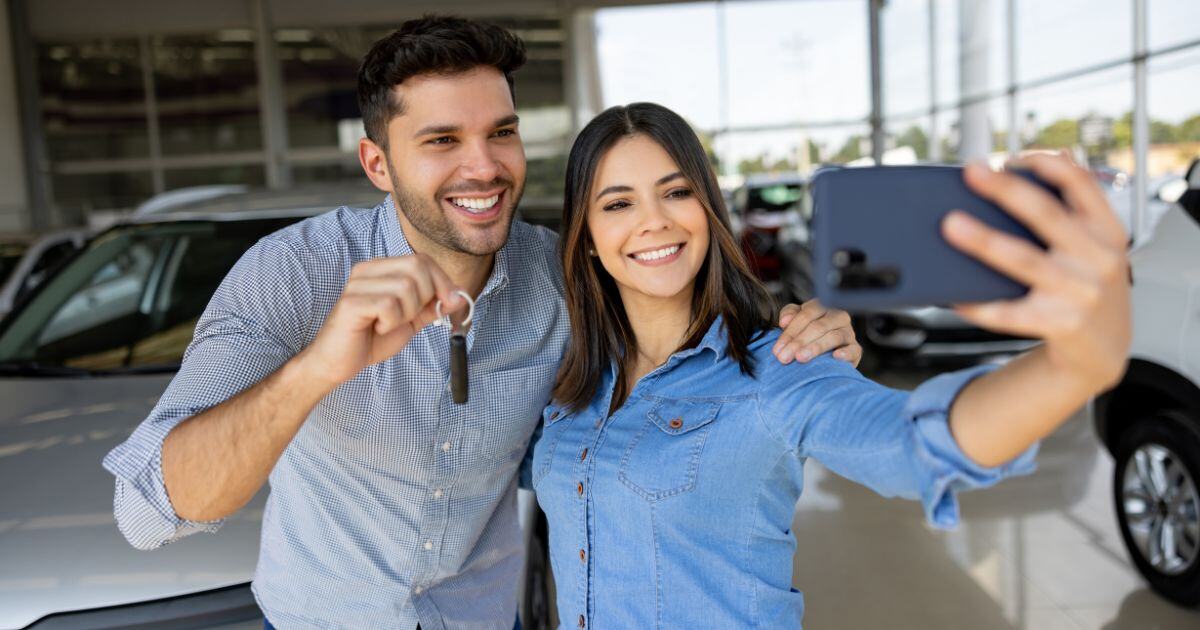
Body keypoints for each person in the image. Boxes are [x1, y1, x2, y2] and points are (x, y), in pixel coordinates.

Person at [101, 17, 861, 629]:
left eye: (501, 132)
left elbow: (669, 366)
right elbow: (144, 514)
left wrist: (799, 342)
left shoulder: (561, 280)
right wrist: (316, 369)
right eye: (441, 141)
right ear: (377, 164)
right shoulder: (292, 274)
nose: (485, 167)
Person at [531, 102, 1130, 628]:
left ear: (708, 210)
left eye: (677, 191)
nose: (653, 220)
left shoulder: (782, 367)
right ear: (586, 235)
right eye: (618, 203)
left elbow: (914, 445)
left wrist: (1073, 367)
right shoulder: (569, 382)